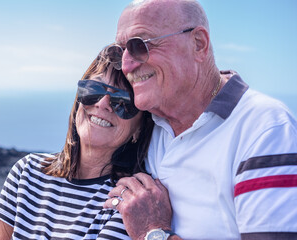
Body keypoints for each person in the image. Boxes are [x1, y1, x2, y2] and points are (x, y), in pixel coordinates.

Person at [102, 0, 297, 240]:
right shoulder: (147, 123)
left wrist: (153, 232)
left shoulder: (264, 128)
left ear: (198, 44)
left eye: (139, 45)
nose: (126, 64)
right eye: (119, 51)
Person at [0, 52, 155, 239]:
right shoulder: (27, 172)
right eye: (94, 90)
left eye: (122, 100)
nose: (102, 103)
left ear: (139, 127)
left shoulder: (131, 200)